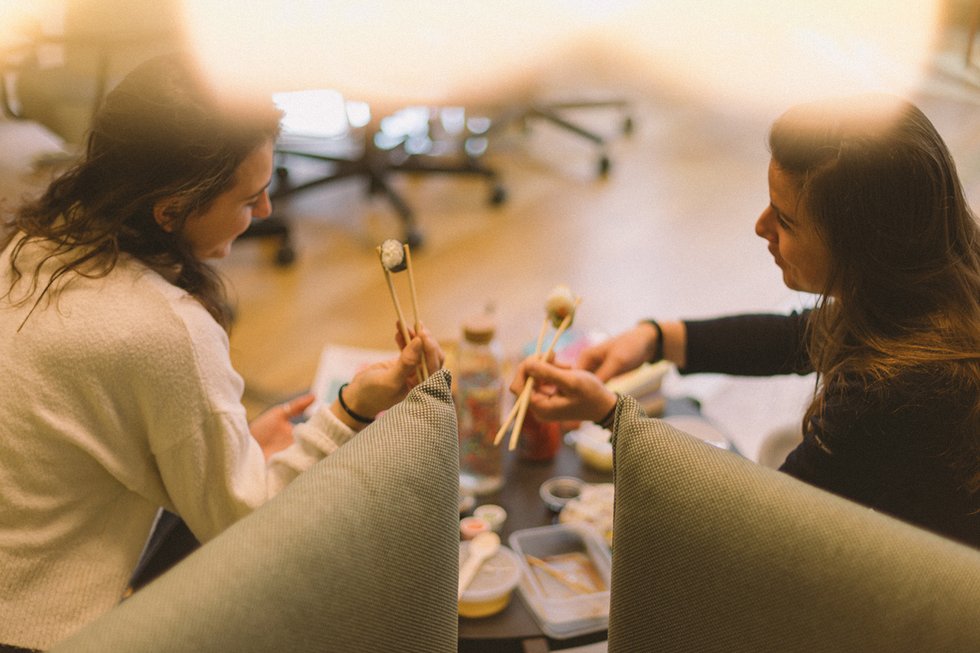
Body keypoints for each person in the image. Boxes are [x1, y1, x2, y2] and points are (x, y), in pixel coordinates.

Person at [0, 53, 442, 651]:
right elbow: (244, 523)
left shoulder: (33, 248)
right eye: (249, 198)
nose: (264, 213)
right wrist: (350, 410)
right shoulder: (162, 328)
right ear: (171, 210)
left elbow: (96, 430)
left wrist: (228, 450)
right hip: (55, 630)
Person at [510, 94, 980, 549]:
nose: (761, 227)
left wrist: (613, 415)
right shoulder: (940, 282)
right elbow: (802, 334)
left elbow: (761, 525)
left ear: (862, 247)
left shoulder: (893, 394)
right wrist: (655, 339)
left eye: (786, 221)